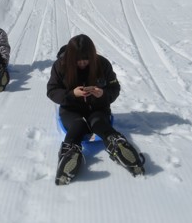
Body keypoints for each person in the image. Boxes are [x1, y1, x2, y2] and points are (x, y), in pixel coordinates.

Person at [47, 34, 145, 185]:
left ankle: (117, 144)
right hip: (71, 109)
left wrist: (103, 94)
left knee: (99, 123)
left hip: (97, 107)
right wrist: (72, 94)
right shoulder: (60, 65)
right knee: (77, 126)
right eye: (78, 60)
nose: (82, 63)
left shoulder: (102, 64)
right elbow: (52, 90)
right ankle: (70, 154)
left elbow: (115, 88)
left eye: (86, 59)